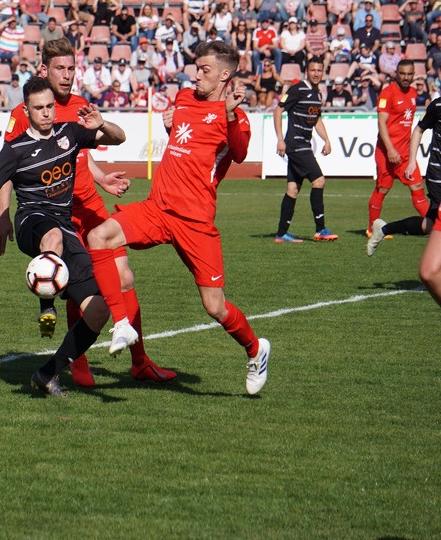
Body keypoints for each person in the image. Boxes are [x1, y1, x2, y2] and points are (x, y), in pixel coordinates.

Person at [84, 40, 270, 395]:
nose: (195, 75)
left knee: (214, 306)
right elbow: (186, 142)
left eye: (205, 70)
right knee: (100, 236)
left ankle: (255, 349)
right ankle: (121, 322)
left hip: (194, 221)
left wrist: (230, 114)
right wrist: (171, 127)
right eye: (196, 68)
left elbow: (241, 153)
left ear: (225, 75)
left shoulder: (236, 117)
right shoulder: (184, 98)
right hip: (158, 208)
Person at [0, 38, 169, 386]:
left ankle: (140, 361)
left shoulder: (81, 106)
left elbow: (83, 151)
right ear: (44, 70)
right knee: (74, 283)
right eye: (60, 68)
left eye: (72, 68)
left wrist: (101, 179)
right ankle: (78, 362)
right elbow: (9, 166)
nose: (68, 75)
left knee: (125, 278)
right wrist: (2, 213)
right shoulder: (24, 113)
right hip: (57, 213)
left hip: (90, 205)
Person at [0, 78, 125, 397]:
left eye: (50, 106)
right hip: (30, 222)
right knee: (52, 236)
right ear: (26, 110)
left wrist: (103, 122)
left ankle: (47, 373)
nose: (47, 113)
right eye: (39, 108)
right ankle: (46, 305)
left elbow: (119, 139)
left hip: (65, 230)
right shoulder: (16, 148)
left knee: (98, 310)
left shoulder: (70, 133)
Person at [368, 93, 441, 267]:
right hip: (438, 175)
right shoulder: (437, 107)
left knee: (428, 226)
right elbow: (418, 130)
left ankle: (384, 229)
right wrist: (411, 163)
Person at [272, 58, 336, 243]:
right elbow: (278, 110)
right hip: (296, 144)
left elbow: (316, 119)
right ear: (306, 71)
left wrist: (326, 140)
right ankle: (320, 229)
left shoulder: (317, 94)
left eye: (319, 70)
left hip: (303, 145)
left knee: (292, 189)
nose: (316, 73)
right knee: (319, 181)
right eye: (313, 70)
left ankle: (282, 233)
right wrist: (280, 139)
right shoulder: (297, 89)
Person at [368, 61, 431, 235]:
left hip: (404, 153)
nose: (406, 77)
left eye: (409, 74)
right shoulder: (387, 94)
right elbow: (381, 124)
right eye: (402, 74)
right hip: (387, 151)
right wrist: (390, 149)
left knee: (417, 185)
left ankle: (435, 227)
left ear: (413, 74)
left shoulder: (412, 92)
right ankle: (372, 229)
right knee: (383, 189)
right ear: (396, 73)